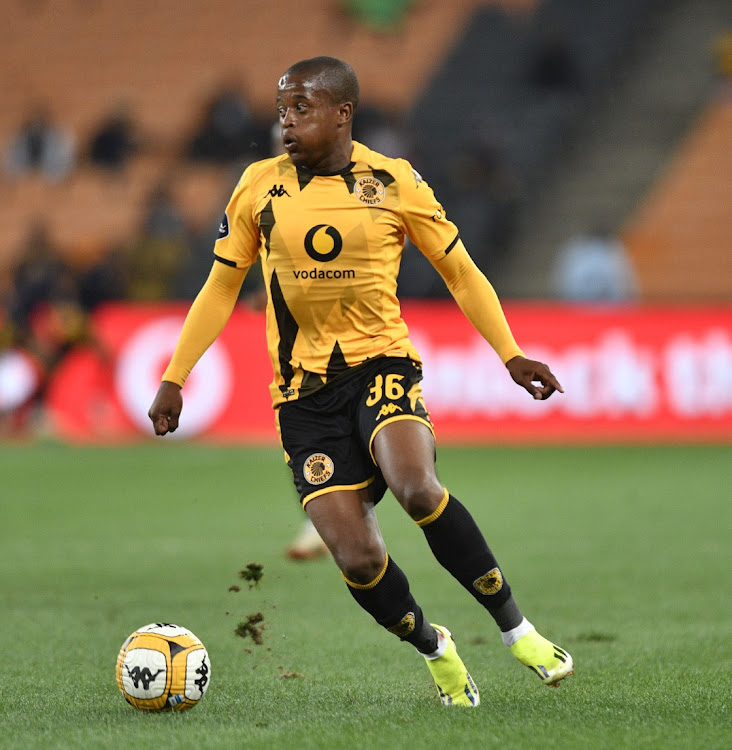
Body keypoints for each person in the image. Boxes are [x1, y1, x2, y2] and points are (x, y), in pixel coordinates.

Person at [149, 56, 573, 707]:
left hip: (383, 368)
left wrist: (511, 355)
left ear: (342, 113)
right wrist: (175, 376)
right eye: (282, 109)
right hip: (302, 400)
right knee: (359, 561)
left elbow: (460, 271)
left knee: (415, 486)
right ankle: (437, 649)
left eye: (301, 109)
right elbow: (221, 286)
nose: (285, 122)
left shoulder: (393, 180)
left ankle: (519, 631)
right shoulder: (257, 187)